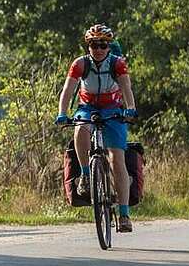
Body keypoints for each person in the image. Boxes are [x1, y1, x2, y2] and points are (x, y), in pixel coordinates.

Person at [55, 23, 138, 233]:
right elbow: (67, 90)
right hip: (88, 107)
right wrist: (62, 113)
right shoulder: (80, 64)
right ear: (88, 46)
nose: (98, 49)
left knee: (116, 159)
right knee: (81, 129)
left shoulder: (117, 64)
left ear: (109, 46)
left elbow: (126, 88)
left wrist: (130, 109)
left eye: (102, 44)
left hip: (113, 109)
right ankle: (85, 175)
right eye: (93, 44)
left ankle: (124, 214)